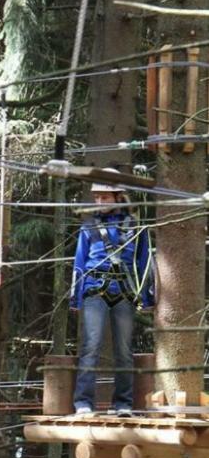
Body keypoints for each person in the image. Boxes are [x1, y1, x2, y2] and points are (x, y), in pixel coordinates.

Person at [70, 175, 155, 416]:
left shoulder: (135, 227)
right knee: (90, 347)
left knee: (124, 352)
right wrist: (75, 298)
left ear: (118, 198)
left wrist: (147, 298)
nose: (99, 201)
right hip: (94, 289)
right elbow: (79, 264)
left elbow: (144, 262)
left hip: (125, 292)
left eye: (104, 197)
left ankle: (123, 404)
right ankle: (83, 403)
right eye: (96, 197)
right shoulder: (88, 228)